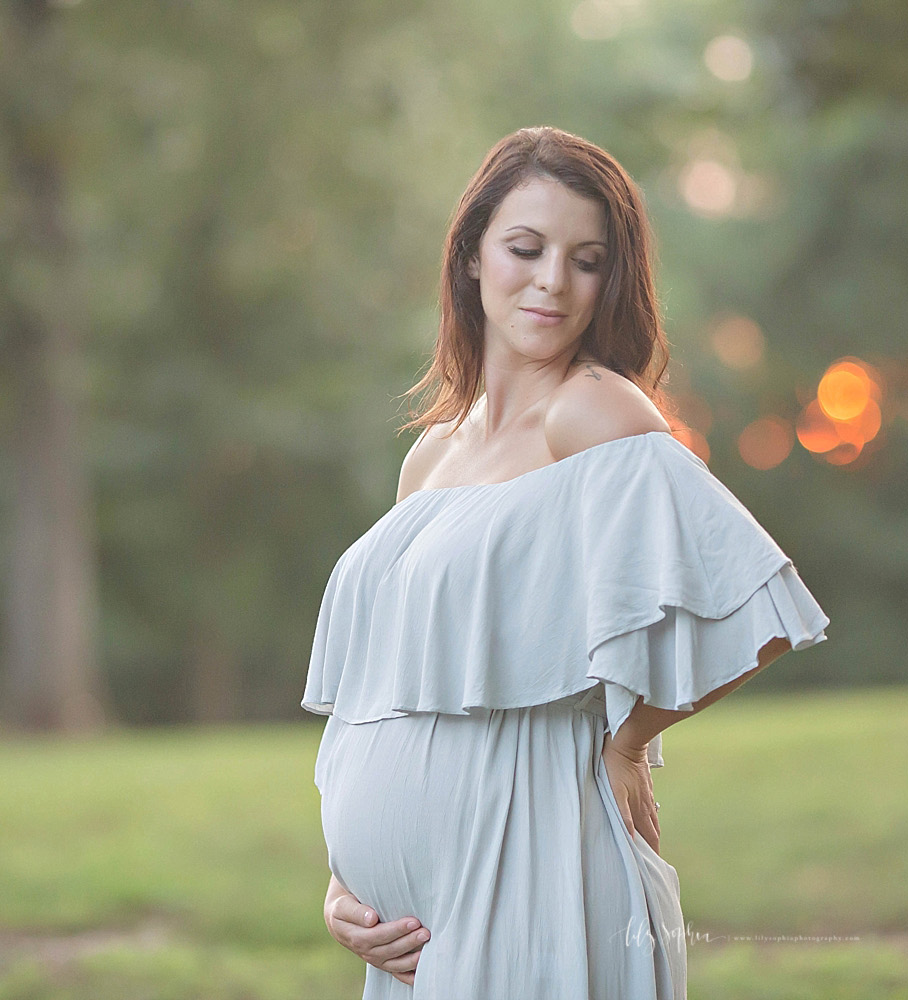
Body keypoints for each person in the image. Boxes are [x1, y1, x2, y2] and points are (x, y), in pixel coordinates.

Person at [303, 125, 830, 998]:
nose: (553, 280)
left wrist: (629, 742)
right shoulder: (431, 455)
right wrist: (345, 879)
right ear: (472, 255)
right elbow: (389, 686)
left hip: (533, 864)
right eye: (526, 247)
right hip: (407, 931)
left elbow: (751, 601)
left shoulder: (593, 414)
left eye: (586, 260)